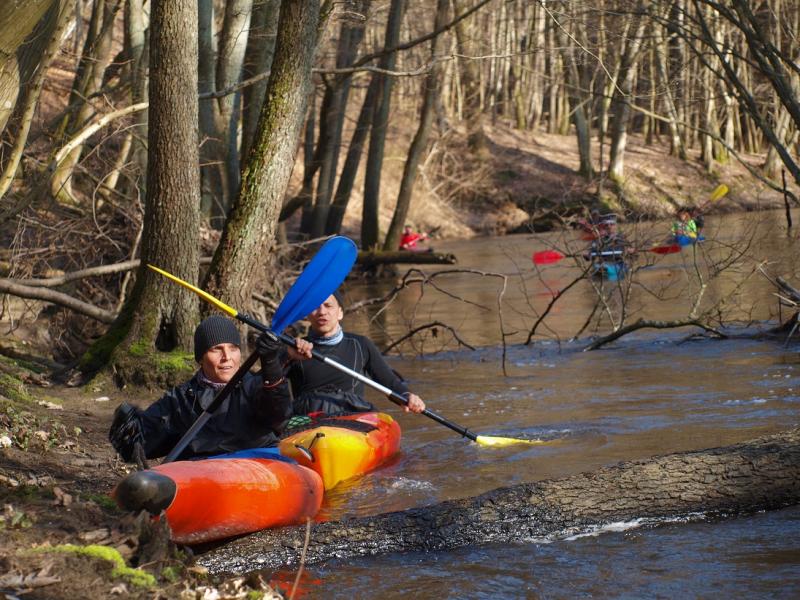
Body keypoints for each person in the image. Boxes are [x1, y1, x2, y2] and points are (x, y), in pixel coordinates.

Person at [108, 315, 291, 464]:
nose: (227, 357)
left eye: (233, 348)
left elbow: (278, 415)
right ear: (201, 358)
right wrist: (128, 428)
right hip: (205, 475)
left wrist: (271, 363)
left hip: (256, 465)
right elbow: (139, 446)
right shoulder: (181, 398)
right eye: (216, 349)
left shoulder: (258, 385)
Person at [286, 290, 426, 417]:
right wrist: (283, 356)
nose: (322, 312)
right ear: (307, 316)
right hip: (307, 422)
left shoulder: (360, 344)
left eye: (328, 306)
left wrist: (407, 395)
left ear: (340, 312)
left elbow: (389, 381)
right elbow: (268, 389)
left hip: (352, 419)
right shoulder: (293, 349)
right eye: (315, 307)